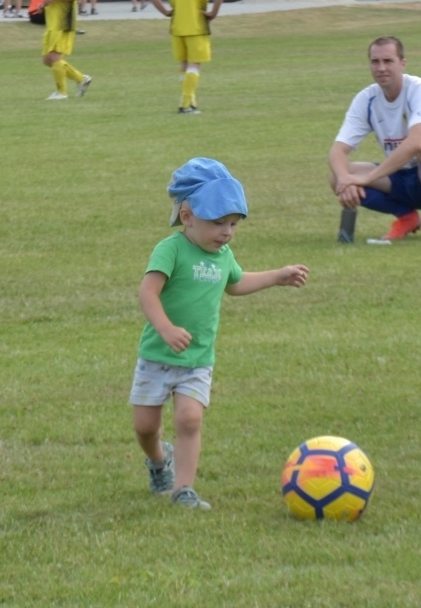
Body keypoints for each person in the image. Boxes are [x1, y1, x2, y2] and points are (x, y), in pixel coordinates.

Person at [132, 158, 308, 509]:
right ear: (187, 217)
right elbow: (147, 293)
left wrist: (277, 276)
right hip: (157, 356)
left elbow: (237, 283)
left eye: (233, 223)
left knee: (189, 419)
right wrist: (165, 328)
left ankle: (184, 489)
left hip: (197, 358)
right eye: (218, 223)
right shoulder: (171, 250)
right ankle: (157, 461)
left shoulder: (223, 255)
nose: (226, 232)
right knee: (145, 427)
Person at [328, 36, 421, 244]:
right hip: (402, 179)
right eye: (375, 62)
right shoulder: (366, 99)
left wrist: (367, 178)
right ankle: (406, 217)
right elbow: (337, 151)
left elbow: (417, 143)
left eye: (388, 61)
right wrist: (344, 181)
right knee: (337, 176)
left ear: (402, 63)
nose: (381, 68)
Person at [145, 0, 226, 115]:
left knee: (184, 64)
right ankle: (185, 104)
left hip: (177, 25)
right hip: (197, 24)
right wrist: (213, 12)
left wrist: (165, 12)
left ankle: (191, 102)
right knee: (194, 65)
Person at [41, 0, 90, 100]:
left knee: (55, 57)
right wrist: (44, 3)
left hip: (64, 18)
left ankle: (61, 93)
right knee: (47, 59)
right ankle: (81, 79)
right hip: (53, 21)